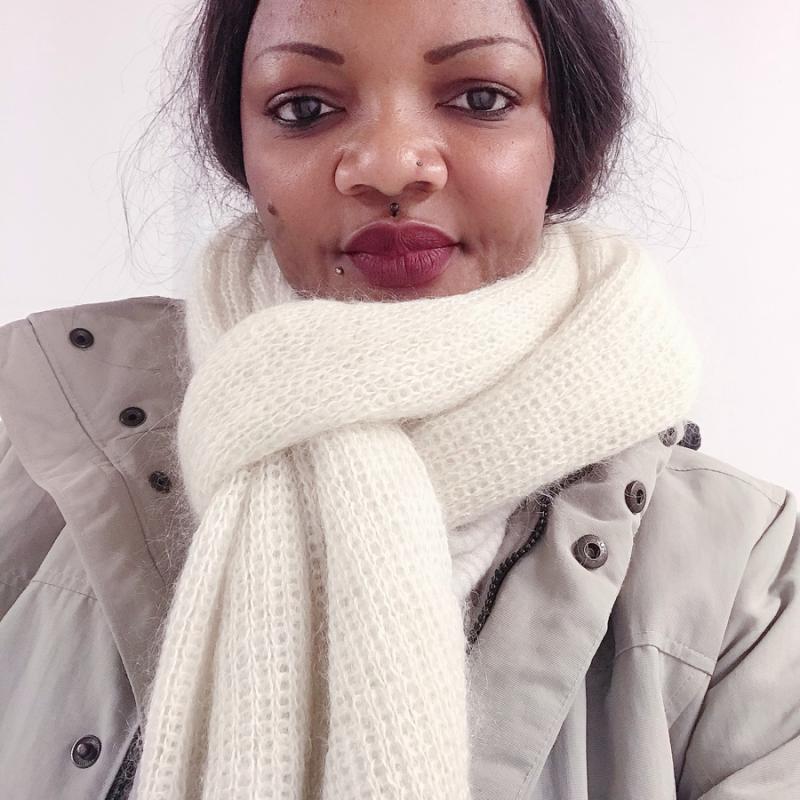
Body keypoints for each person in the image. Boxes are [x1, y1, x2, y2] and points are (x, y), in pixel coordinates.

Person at [1, 0, 798, 798]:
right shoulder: (28, 447)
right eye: (303, 108)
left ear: (566, 131)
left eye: (480, 97)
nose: (388, 166)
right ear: (242, 146)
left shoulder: (752, 582)